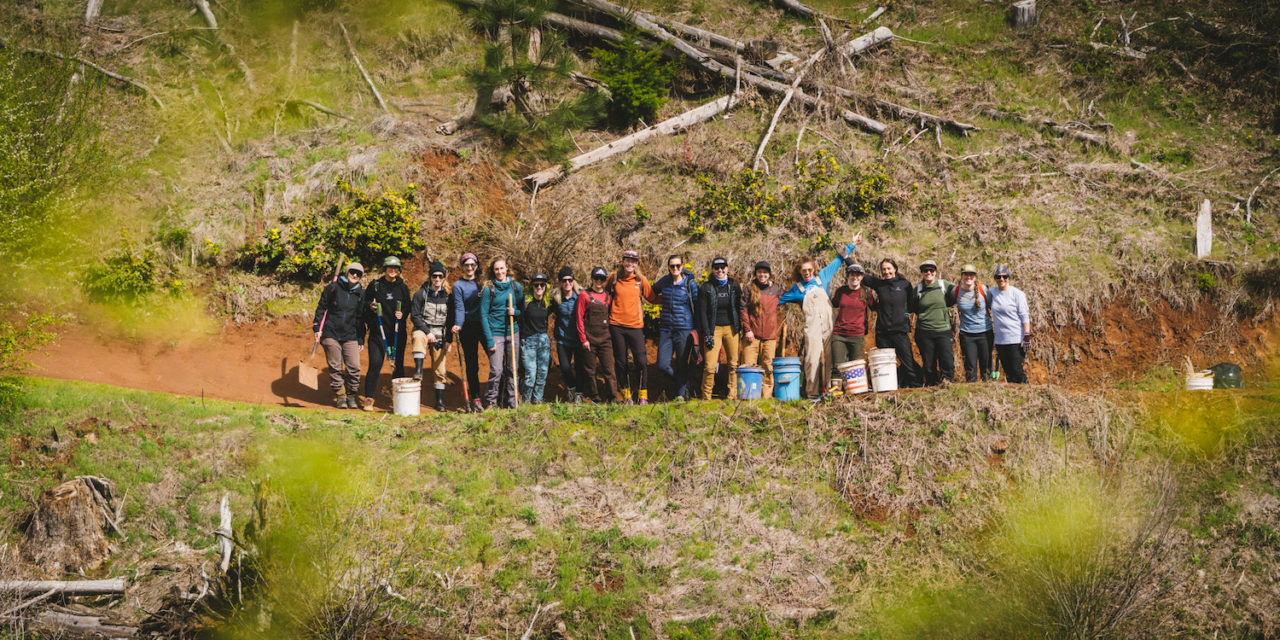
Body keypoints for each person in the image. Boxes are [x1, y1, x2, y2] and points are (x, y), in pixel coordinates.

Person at [780, 235, 857, 397]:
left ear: (813, 270)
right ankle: (812, 393)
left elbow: (838, 260)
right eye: (804, 271)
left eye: (809, 270)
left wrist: (851, 244)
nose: (807, 273)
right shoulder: (797, 289)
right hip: (812, 327)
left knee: (831, 358)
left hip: (829, 324)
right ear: (799, 272)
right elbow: (778, 300)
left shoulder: (822, 277)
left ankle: (831, 391)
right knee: (812, 360)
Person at [861, 257, 923, 389]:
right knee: (886, 363)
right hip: (882, 332)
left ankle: (916, 385)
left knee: (907, 361)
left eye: (889, 268)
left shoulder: (905, 284)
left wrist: (905, 316)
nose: (886, 271)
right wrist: (846, 256)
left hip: (900, 331)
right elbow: (861, 275)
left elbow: (911, 305)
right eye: (883, 269)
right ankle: (888, 386)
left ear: (895, 269)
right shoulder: (879, 285)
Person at [606, 250, 656, 405]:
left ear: (637, 264)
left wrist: (672, 298)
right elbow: (605, 296)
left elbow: (652, 297)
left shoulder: (641, 280)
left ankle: (643, 396)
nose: (630, 264)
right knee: (621, 362)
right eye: (627, 260)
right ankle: (627, 395)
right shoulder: (614, 279)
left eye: (633, 261)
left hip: (635, 326)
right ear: (622, 261)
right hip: (616, 325)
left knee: (641, 361)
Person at [361, 256, 411, 411]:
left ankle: (398, 401)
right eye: (390, 267)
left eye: (396, 268)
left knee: (398, 368)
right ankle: (369, 398)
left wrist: (402, 314)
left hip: (396, 334)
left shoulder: (402, 287)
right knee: (375, 364)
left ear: (399, 270)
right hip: (378, 334)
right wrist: (370, 307)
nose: (393, 270)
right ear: (385, 268)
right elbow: (363, 306)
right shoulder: (375, 285)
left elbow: (408, 306)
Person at [313, 262, 365, 409]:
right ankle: (340, 395)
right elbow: (321, 308)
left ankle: (351, 395)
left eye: (358, 274)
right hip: (331, 332)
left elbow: (360, 318)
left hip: (350, 335)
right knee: (335, 366)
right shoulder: (332, 288)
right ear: (346, 272)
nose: (355, 275)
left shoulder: (360, 293)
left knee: (354, 367)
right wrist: (317, 327)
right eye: (352, 272)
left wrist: (361, 338)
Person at [650, 254, 699, 400]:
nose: (675, 268)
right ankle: (682, 383)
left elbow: (697, 306)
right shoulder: (665, 281)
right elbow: (651, 292)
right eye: (672, 266)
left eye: (678, 265)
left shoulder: (690, 284)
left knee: (681, 363)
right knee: (663, 365)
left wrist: (698, 329)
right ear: (668, 268)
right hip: (666, 329)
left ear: (682, 266)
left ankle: (681, 395)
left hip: (684, 328)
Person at [697, 257, 743, 400]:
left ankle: (732, 395)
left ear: (727, 268)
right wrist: (707, 334)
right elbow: (702, 312)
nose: (720, 270)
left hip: (731, 329)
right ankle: (706, 397)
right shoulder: (706, 287)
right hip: (713, 329)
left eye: (723, 267)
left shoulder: (733, 285)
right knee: (710, 366)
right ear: (713, 270)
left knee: (733, 364)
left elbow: (740, 307)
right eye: (717, 268)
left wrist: (740, 327)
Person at [479, 258, 522, 409]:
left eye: (502, 268)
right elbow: (483, 316)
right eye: (497, 269)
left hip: (512, 332)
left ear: (507, 268)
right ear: (493, 271)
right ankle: (491, 401)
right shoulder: (488, 290)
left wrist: (514, 312)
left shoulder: (516, 287)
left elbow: (522, 310)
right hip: (496, 333)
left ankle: (512, 401)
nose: (500, 272)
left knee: (512, 368)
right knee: (496, 370)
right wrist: (489, 340)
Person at [410, 261, 453, 411]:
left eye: (440, 276)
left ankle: (439, 401)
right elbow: (414, 316)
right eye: (434, 276)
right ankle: (419, 371)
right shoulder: (421, 294)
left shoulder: (448, 297)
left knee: (440, 370)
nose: (437, 279)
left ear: (443, 278)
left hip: (440, 333)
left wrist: (449, 340)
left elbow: (450, 320)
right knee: (418, 337)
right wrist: (427, 332)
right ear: (430, 277)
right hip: (424, 329)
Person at [575, 266, 619, 402]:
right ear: (592, 279)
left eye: (602, 278)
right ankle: (595, 397)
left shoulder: (608, 296)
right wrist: (583, 339)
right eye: (596, 278)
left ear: (605, 280)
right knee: (590, 370)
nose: (599, 281)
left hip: (605, 339)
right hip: (589, 339)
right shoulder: (584, 295)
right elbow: (579, 318)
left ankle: (613, 397)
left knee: (609, 370)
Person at [740, 261, 782, 398]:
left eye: (765, 272)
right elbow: (743, 309)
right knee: (748, 366)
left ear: (769, 274)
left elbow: (792, 295)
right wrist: (747, 329)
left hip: (770, 336)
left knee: (768, 367)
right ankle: (748, 396)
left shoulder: (776, 290)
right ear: (756, 274)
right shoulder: (749, 289)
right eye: (759, 272)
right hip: (752, 335)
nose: (762, 275)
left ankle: (766, 398)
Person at [913, 260, 956, 386]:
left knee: (947, 360)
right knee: (929, 362)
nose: (928, 272)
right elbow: (912, 307)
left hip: (943, 330)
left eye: (931, 270)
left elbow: (957, 294)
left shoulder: (944, 285)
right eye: (925, 270)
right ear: (922, 273)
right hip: (924, 332)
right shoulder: (918, 289)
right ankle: (931, 385)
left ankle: (948, 383)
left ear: (935, 272)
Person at [451, 253, 485, 412]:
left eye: (473, 265)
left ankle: (498, 394)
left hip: (485, 325)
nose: (470, 268)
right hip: (468, 327)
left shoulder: (483, 283)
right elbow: (459, 307)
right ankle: (476, 397)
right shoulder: (458, 286)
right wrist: (458, 324)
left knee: (496, 359)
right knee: (472, 365)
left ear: (477, 266)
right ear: (462, 266)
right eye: (466, 265)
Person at [829, 263, 875, 377]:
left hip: (857, 335)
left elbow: (875, 307)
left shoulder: (866, 293)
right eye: (852, 275)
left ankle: (853, 393)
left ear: (862, 277)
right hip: (839, 334)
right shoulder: (841, 291)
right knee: (837, 367)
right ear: (848, 276)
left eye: (858, 275)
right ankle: (836, 393)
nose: (855, 277)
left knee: (855, 367)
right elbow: (832, 304)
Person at [989, 264, 1031, 384]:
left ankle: (1027, 394)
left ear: (1009, 277)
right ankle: (1016, 399)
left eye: (1004, 276)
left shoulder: (1017, 294)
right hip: (1001, 340)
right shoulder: (993, 292)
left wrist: (1027, 335)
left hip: (1015, 339)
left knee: (1017, 370)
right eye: (998, 277)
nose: (1001, 279)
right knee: (1008, 372)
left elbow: (1024, 315)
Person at [549, 266, 585, 402]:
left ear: (573, 280)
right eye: (564, 280)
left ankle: (579, 394)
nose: (567, 283)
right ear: (560, 282)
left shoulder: (581, 295)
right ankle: (572, 387)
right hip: (563, 339)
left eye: (570, 280)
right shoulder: (555, 298)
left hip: (578, 339)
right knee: (564, 368)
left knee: (580, 368)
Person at [954, 264, 994, 382]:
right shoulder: (956, 291)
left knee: (986, 366)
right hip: (967, 334)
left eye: (971, 274)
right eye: (966, 274)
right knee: (970, 366)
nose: (968, 277)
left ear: (975, 276)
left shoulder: (984, 290)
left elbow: (993, 307)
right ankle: (972, 390)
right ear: (961, 276)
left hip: (985, 333)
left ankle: (988, 390)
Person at [519, 273, 552, 404]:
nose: (539, 287)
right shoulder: (525, 303)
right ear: (532, 287)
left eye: (542, 285)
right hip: (528, 341)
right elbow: (518, 318)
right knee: (530, 375)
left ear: (546, 287)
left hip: (543, 341)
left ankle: (538, 401)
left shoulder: (548, 303)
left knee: (542, 373)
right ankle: (526, 402)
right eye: (536, 285)